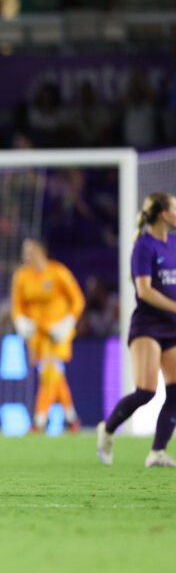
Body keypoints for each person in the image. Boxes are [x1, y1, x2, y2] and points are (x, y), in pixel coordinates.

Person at [97, 193, 176, 467]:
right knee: (146, 391)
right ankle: (107, 430)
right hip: (148, 325)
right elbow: (144, 291)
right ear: (164, 214)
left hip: (171, 327)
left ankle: (157, 452)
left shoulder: (174, 243)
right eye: (175, 207)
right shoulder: (144, 246)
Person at [11, 238, 85, 433]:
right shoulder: (21, 276)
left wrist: (67, 323)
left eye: (30, 251)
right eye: (24, 251)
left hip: (58, 333)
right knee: (53, 375)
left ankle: (39, 420)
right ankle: (72, 418)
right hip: (37, 335)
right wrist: (20, 321)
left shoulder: (57, 272)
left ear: (41, 251)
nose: (26, 255)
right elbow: (17, 305)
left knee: (50, 371)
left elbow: (78, 300)